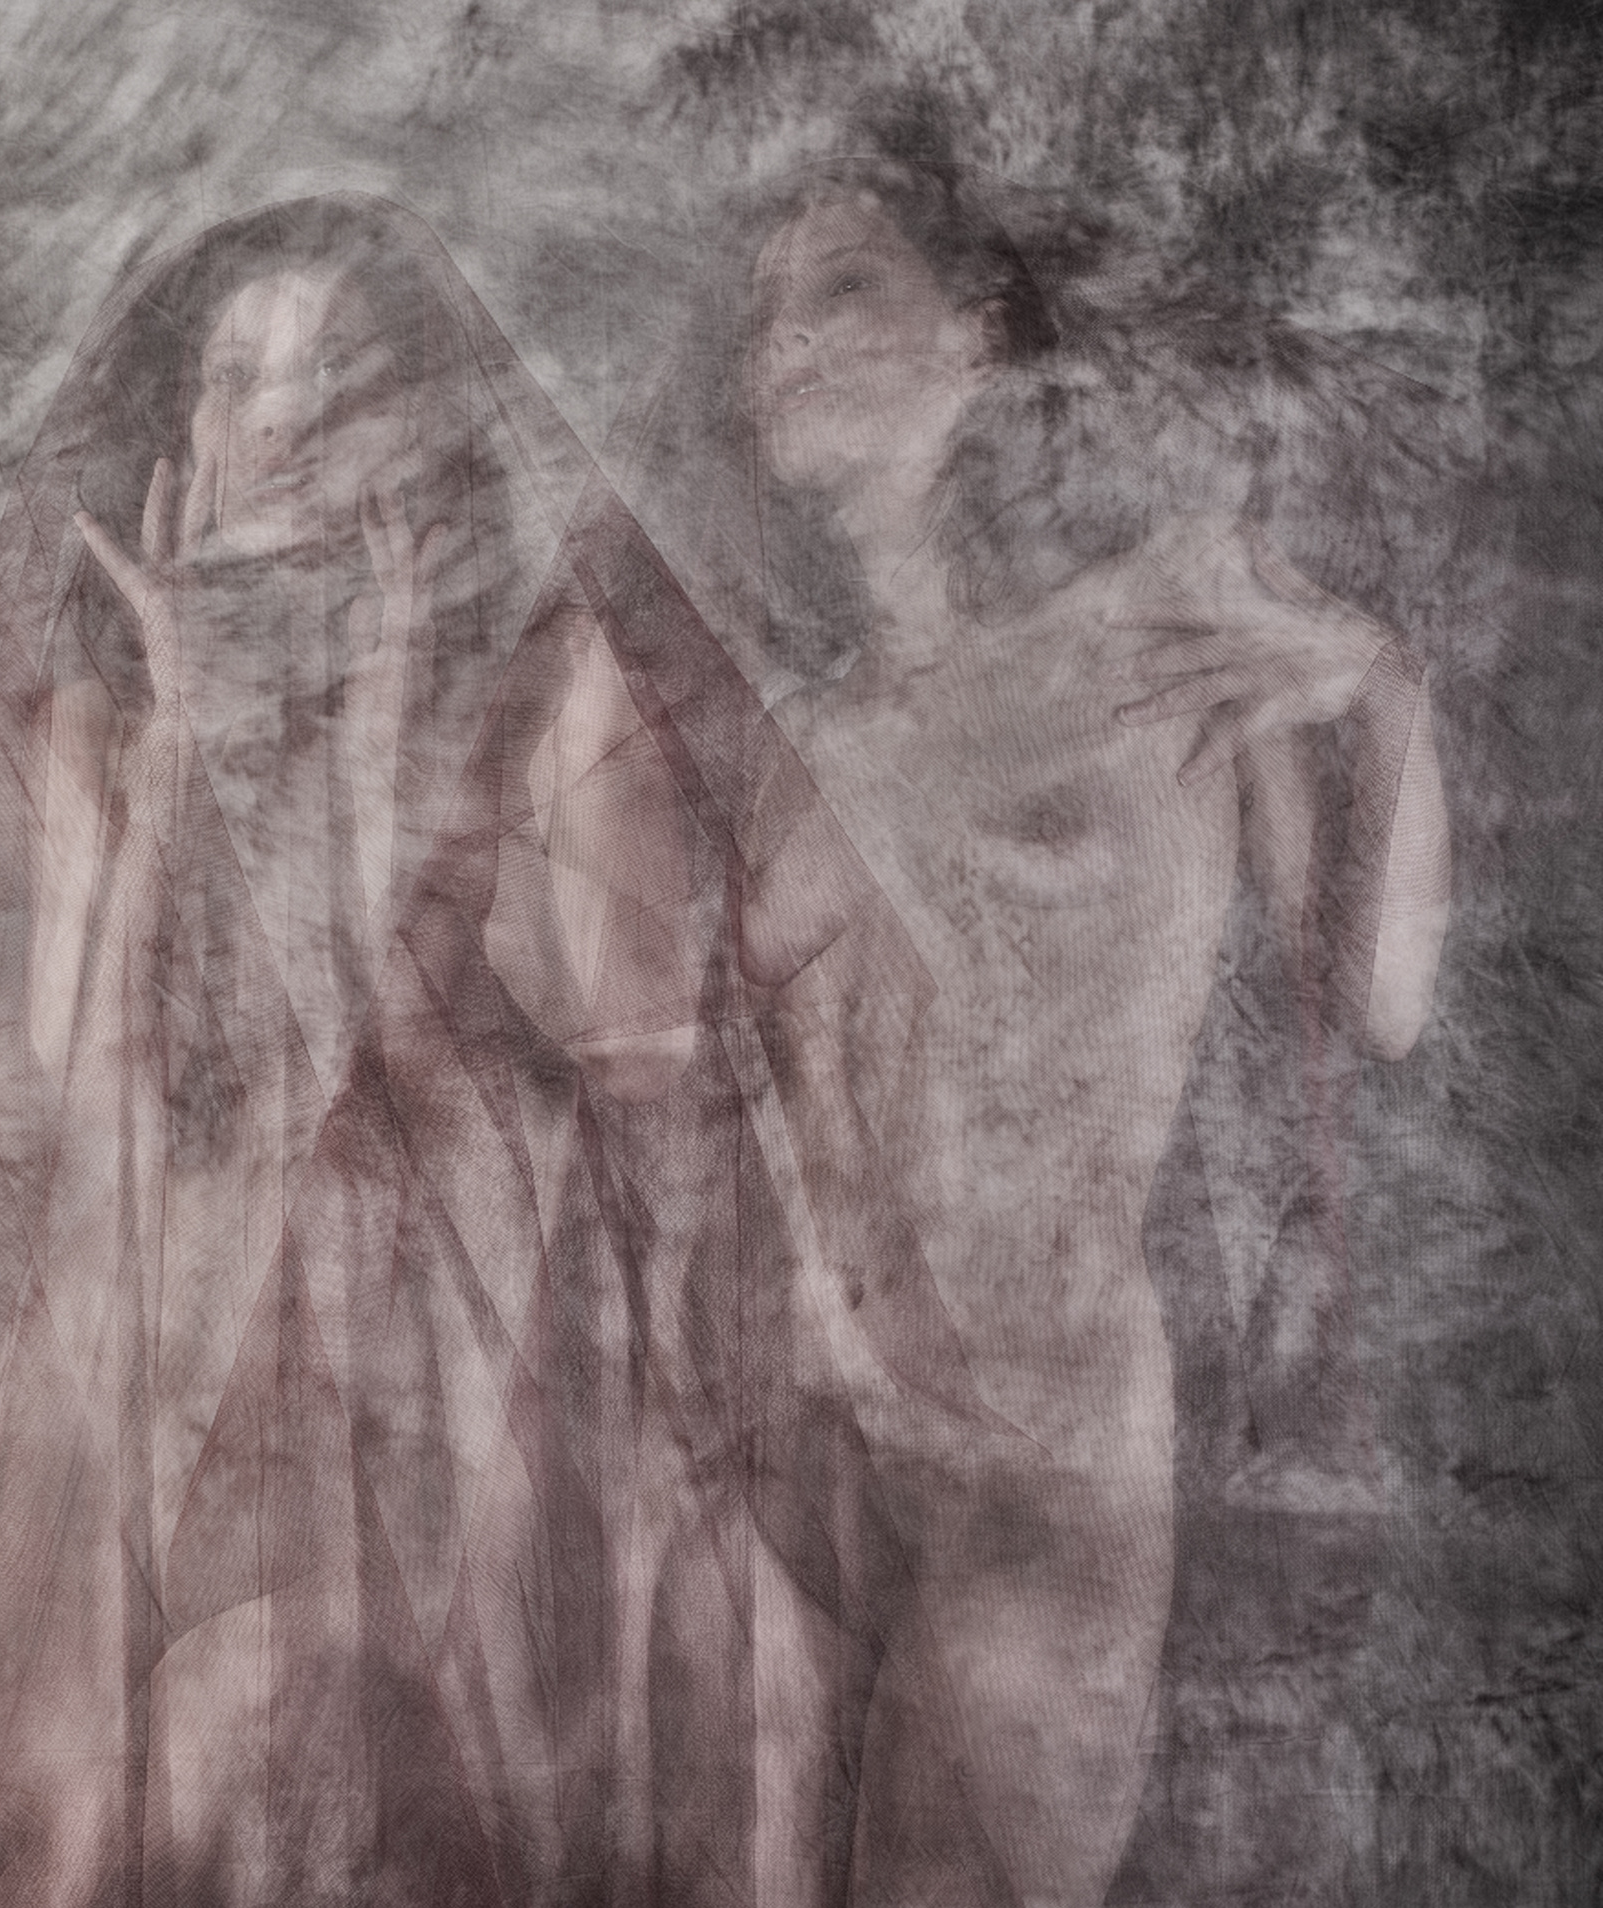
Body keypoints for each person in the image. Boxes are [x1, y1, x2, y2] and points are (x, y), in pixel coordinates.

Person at [0, 192, 991, 1907]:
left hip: (484, 1385)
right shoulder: (96, 729)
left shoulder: (561, 692)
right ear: (183, 429)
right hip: (157, 1362)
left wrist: (391, 758)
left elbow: (626, 1093)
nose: (278, 424)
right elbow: (97, 1093)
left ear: (425, 427)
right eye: (235, 378)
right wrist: (196, 730)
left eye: (336, 377)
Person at [629, 157, 1454, 1904]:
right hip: (774, 1423)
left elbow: (1378, 1000)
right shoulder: (781, 715)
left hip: (1035, 1435)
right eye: (764, 315)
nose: (787, 342)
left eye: (844, 287)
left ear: (981, 327)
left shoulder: (1169, 618)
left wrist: (1379, 690)